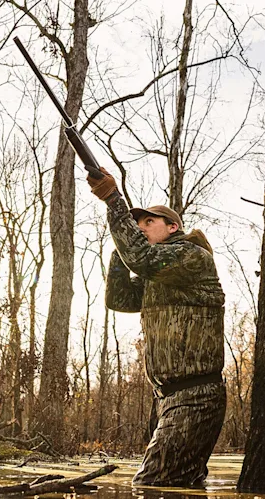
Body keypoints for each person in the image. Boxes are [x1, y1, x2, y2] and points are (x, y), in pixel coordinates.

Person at [88, 168, 226, 487]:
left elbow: (141, 257)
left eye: (149, 222)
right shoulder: (156, 274)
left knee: (152, 486)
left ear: (173, 226)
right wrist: (121, 250)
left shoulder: (190, 256)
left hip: (194, 396)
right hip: (166, 399)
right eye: (138, 225)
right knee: (179, 484)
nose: (141, 227)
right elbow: (119, 298)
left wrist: (112, 198)